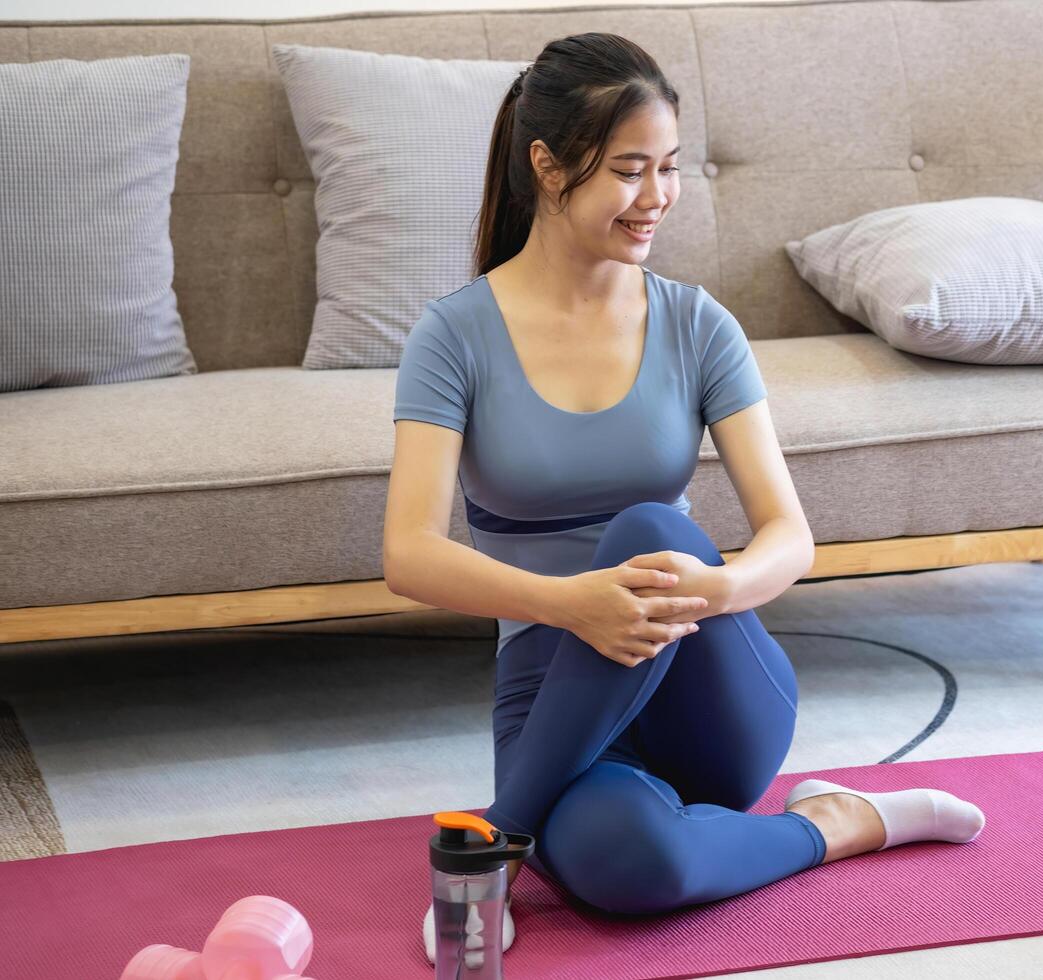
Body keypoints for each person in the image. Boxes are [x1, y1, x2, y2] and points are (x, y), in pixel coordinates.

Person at [383, 32, 985, 959]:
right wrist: (565, 605)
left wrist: (716, 588)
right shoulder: (455, 337)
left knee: (654, 528)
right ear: (547, 166)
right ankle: (840, 824)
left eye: (668, 168)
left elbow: (789, 534)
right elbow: (408, 552)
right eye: (630, 170)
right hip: (554, 705)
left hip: (710, 690)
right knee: (632, 868)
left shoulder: (696, 324)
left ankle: (496, 842)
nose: (658, 196)